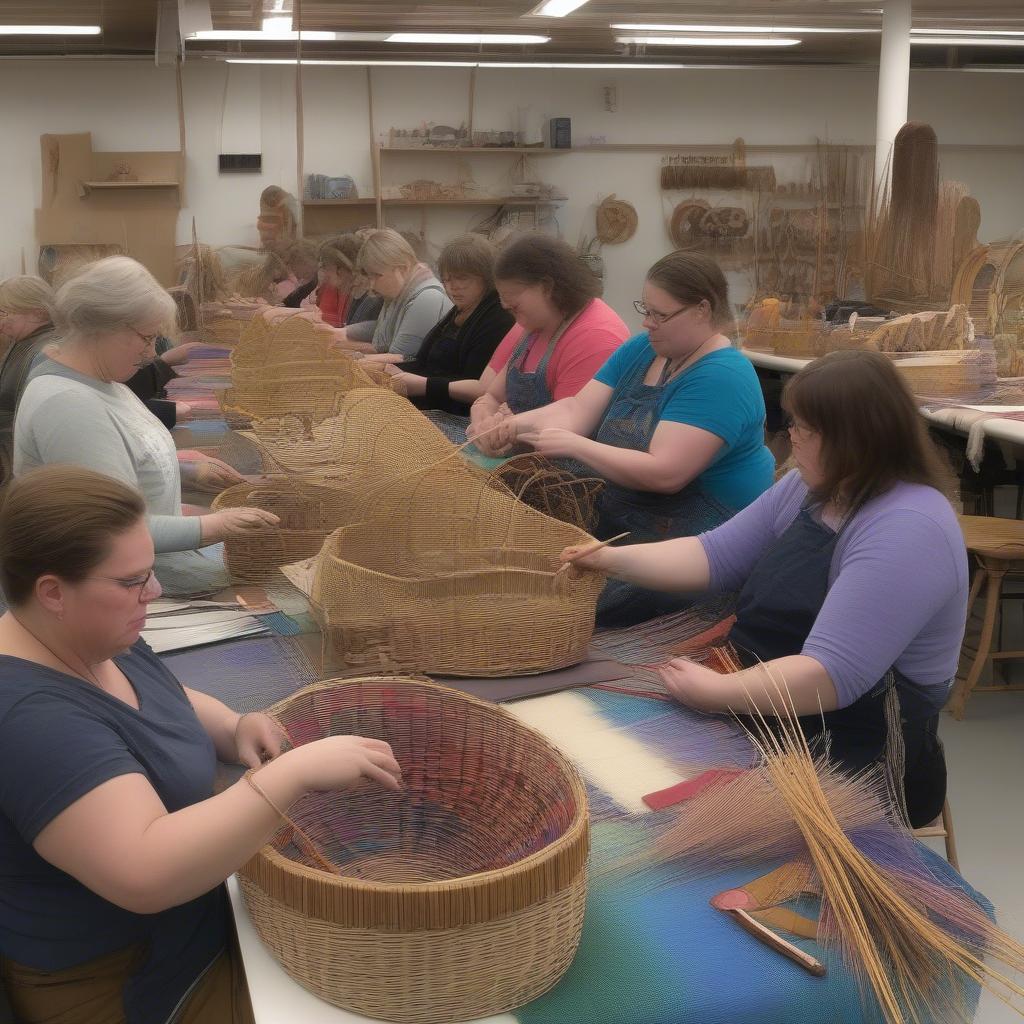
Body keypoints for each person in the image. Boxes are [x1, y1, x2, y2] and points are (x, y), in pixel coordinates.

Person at [0, 465, 403, 1024]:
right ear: (53, 592)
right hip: (127, 974)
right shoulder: (27, 719)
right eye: (133, 581)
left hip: (194, 914)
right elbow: (145, 870)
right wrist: (289, 776)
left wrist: (235, 724)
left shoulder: (86, 634)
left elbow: (165, 695)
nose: (156, 590)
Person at [562, 349, 968, 827]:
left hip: (852, 746)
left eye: (802, 428)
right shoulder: (812, 489)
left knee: (645, 816)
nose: (789, 439)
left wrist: (717, 693)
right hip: (764, 704)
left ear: (854, 439)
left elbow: (830, 676)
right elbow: (713, 556)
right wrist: (607, 559)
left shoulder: (908, 527)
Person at [474, 250, 774, 625]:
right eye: (645, 310)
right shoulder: (642, 350)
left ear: (701, 310)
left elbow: (665, 474)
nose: (647, 323)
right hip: (632, 520)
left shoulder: (721, 376)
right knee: (513, 566)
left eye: (660, 315)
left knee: (558, 610)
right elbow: (574, 410)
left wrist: (576, 446)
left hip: (699, 542)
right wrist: (511, 427)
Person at [13, 256, 279, 597]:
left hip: (149, 563)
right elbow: (110, 530)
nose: (153, 353)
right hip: (119, 584)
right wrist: (217, 525)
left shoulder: (98, 378)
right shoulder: (69, 405)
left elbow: (117, 456)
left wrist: (184, 468)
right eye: (147, 337)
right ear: (106, 327)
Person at [467, 233, 628, 438]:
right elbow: (492, 396)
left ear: (547, 287)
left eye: (515, 308)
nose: (514, 319)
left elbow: (563, 428)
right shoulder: (533, 324)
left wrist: (505, 430)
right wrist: (482, 416)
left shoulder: (595, 337)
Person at [370, 233, 514, 416]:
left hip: (457, 416)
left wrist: (422, 385)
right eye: (446, 279)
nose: (452, 287)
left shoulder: (497, 319)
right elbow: (425, 362)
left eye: (461, 278)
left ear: (485, 276)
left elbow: (478, 386)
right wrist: (388, 371)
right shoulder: (461, 309)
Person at [330, 229, 451, 359]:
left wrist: (351, 355)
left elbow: (400, 358)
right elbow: (382, 327)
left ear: (402, 268)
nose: (372, 285)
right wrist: (342, 333)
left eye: (377, 276)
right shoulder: (402, 292)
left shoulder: (428, 298)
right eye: (370, 277)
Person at [0, 276, 58, 477]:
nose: (1, 321)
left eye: (4, 312)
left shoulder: (45, 352)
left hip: (16, 462)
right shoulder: (23, 341)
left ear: (37, 313)